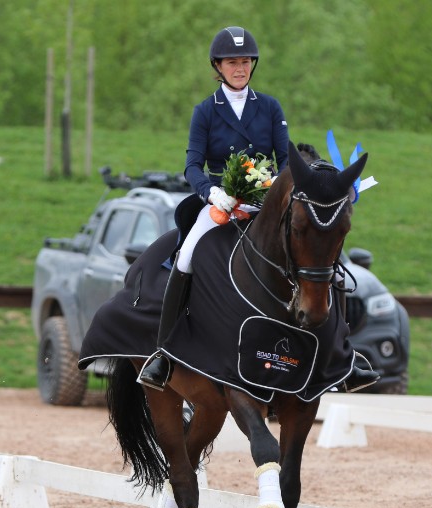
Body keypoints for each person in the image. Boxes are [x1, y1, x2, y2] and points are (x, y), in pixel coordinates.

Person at [137, 27, 378, 393]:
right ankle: (164, 352)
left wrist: (283, 192)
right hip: (223, 202)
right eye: (233, 62)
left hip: (266, 202)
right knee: (186, 256)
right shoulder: (205, 111)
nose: (240, 68)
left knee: (332, 267)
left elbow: (285, 161)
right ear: (218, 66)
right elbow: (191, 165)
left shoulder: (269, 107)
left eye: (246, 61)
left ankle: (345, 357)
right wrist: (211, 192)